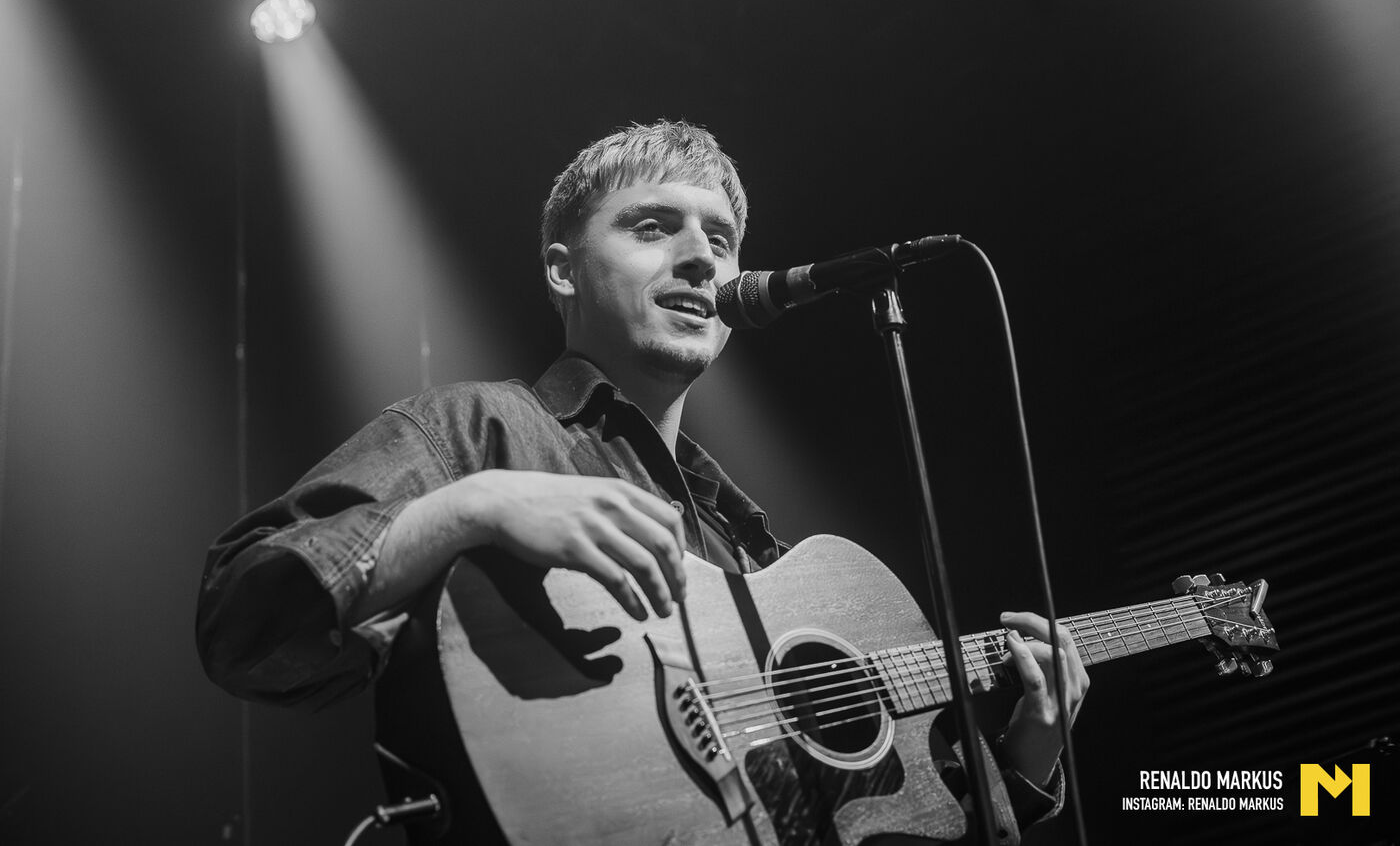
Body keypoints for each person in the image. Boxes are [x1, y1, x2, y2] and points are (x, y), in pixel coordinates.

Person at [196, 120, 1088, 838]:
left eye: (721, 239)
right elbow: (244, 621)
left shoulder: (750, 547)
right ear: (563, 271)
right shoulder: (478, 429)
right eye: (654, 226)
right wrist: (474, 504)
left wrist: (1028, 756)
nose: (701, 258)